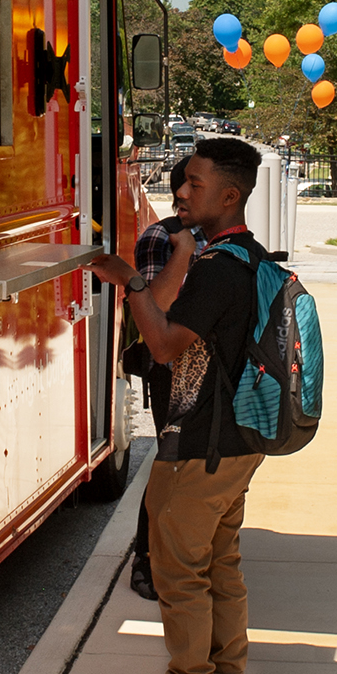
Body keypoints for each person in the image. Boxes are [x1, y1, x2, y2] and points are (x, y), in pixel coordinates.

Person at [90, 137, 268, 674]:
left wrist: (129, 284)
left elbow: (165, 345)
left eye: (194, 183)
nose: (181, 191)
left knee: (178, 573)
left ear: (229, 194)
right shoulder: (250, 259)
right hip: (235, 441)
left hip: (199, 442)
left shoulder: (218, 270)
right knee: (220, 566)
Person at [127, 157, 201, 601]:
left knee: (201, 468)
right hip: (172, 371)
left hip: (215, 373)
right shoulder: (162, 235)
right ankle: (148, 559)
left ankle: (189, 555)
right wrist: (186, 251)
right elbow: (154, 304)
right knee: (171, 464)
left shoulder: (226, 237)